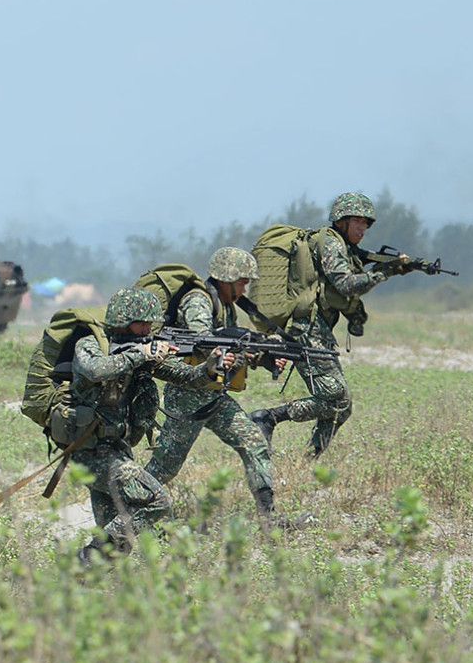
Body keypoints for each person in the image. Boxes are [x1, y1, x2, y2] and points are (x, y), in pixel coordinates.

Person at [50, 287, 224, 563]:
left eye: (149, 324)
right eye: (141, 323)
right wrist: (141, 353)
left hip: (117, 449)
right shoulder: (91, 345)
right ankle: (82, 560)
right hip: (92, 451)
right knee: (157, 501)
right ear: (122, 320)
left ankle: (80, 583)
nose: (147, 330)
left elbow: (186, 377)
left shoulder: (142, 351)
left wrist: (210, 368)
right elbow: (95, 369)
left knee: (118, 545)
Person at [249, 192, 405, 458]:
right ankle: (268, 417)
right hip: (307, 332)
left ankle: (309, 460)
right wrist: (385, 273)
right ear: (341, 221)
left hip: (318, 332)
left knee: (342, 406)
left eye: (366, 223)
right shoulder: (331, 245)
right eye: (357, 222)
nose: (362, 229)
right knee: (337, 396)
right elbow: (345, 284)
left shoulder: (343, 247)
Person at [144, 247, 287, 522]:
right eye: (243, 282)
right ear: (227, 278)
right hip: (187, 394)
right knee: (165, 467)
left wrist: (265, 358)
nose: (245, 289)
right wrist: (238, 350)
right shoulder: (199, 301)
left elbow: (232, 348)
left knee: (253, 442)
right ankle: (125, 510)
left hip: (213, 395)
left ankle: (269, 518)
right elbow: (206, 343)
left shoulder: (226, 308)